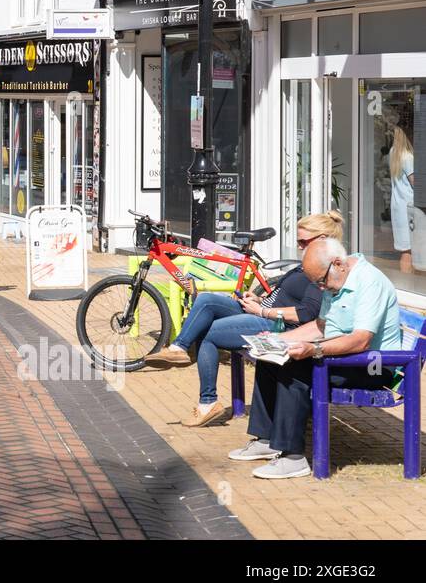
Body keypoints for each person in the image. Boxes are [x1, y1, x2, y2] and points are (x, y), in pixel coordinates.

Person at [145, 211, 343, 427]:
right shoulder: (306, 262)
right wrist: (258, 299)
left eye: (303, 241)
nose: (299, 246)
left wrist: (262, 311)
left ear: (322, 238)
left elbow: (307, 313)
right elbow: (286, 296)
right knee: (206, 300)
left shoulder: (322, 268)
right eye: (298, 241)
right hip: (262, 310)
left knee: (208, 333)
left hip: (276, 324)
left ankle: (207, 403)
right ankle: (179, 349)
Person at [229, 238, 403, 479]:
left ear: (338, 263)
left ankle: (293, 457)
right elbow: (322, 326)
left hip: (373, 365)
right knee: (271, 358)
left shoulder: (370, 282)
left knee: (295, 368)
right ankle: (267, 438)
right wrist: (279, 340)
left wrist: (314, 351)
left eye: (321, 281)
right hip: (349, 356)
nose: (321, 288)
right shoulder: (337, 279)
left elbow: (361, 340)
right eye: (316, 283)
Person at [390, 126, 416, 273]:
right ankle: (408, 284)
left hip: (398, 206)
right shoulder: (408, 157)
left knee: (405, 250)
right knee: (409, 251)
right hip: (409, 207)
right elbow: (415, 183)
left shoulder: (393, 153)